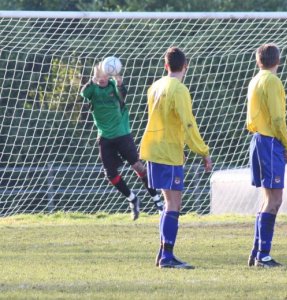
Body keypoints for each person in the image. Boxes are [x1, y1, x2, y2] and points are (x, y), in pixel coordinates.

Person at [141, 47, 212, 269]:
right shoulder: (179, 89)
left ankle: (163, 252)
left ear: (166, 65)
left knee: (168, 202)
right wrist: (203, 151)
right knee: (174, 202)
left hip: (153, 149)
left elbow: (163, 120)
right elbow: (188, 123)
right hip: (167, 152)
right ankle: (167, 256)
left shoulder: (155, 86)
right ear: (185, 67)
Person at [80, 63, 162, 221]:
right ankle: (132, 198)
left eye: (105, 75)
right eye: (99, 76)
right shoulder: (93, 90)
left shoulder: (114, 87)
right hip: (104, 137)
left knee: (138, 167)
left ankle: (158, 202)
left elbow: (122, 94)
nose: (102, 79)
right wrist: (92, 80)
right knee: (110, 175)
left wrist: (119, 82)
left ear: (109, 75)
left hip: (122, 134)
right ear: (95, 77)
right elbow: (83, 93)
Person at [246, 44, 287, 268]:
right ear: (278, 61)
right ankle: (263, 255)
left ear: (258, 61)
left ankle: (257, 252)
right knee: (275, 199)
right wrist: (286, 143)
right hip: (269, 141)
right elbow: (277, 118)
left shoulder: (255, 79)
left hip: (257, 140)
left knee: (267, 198)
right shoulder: (272, 81)